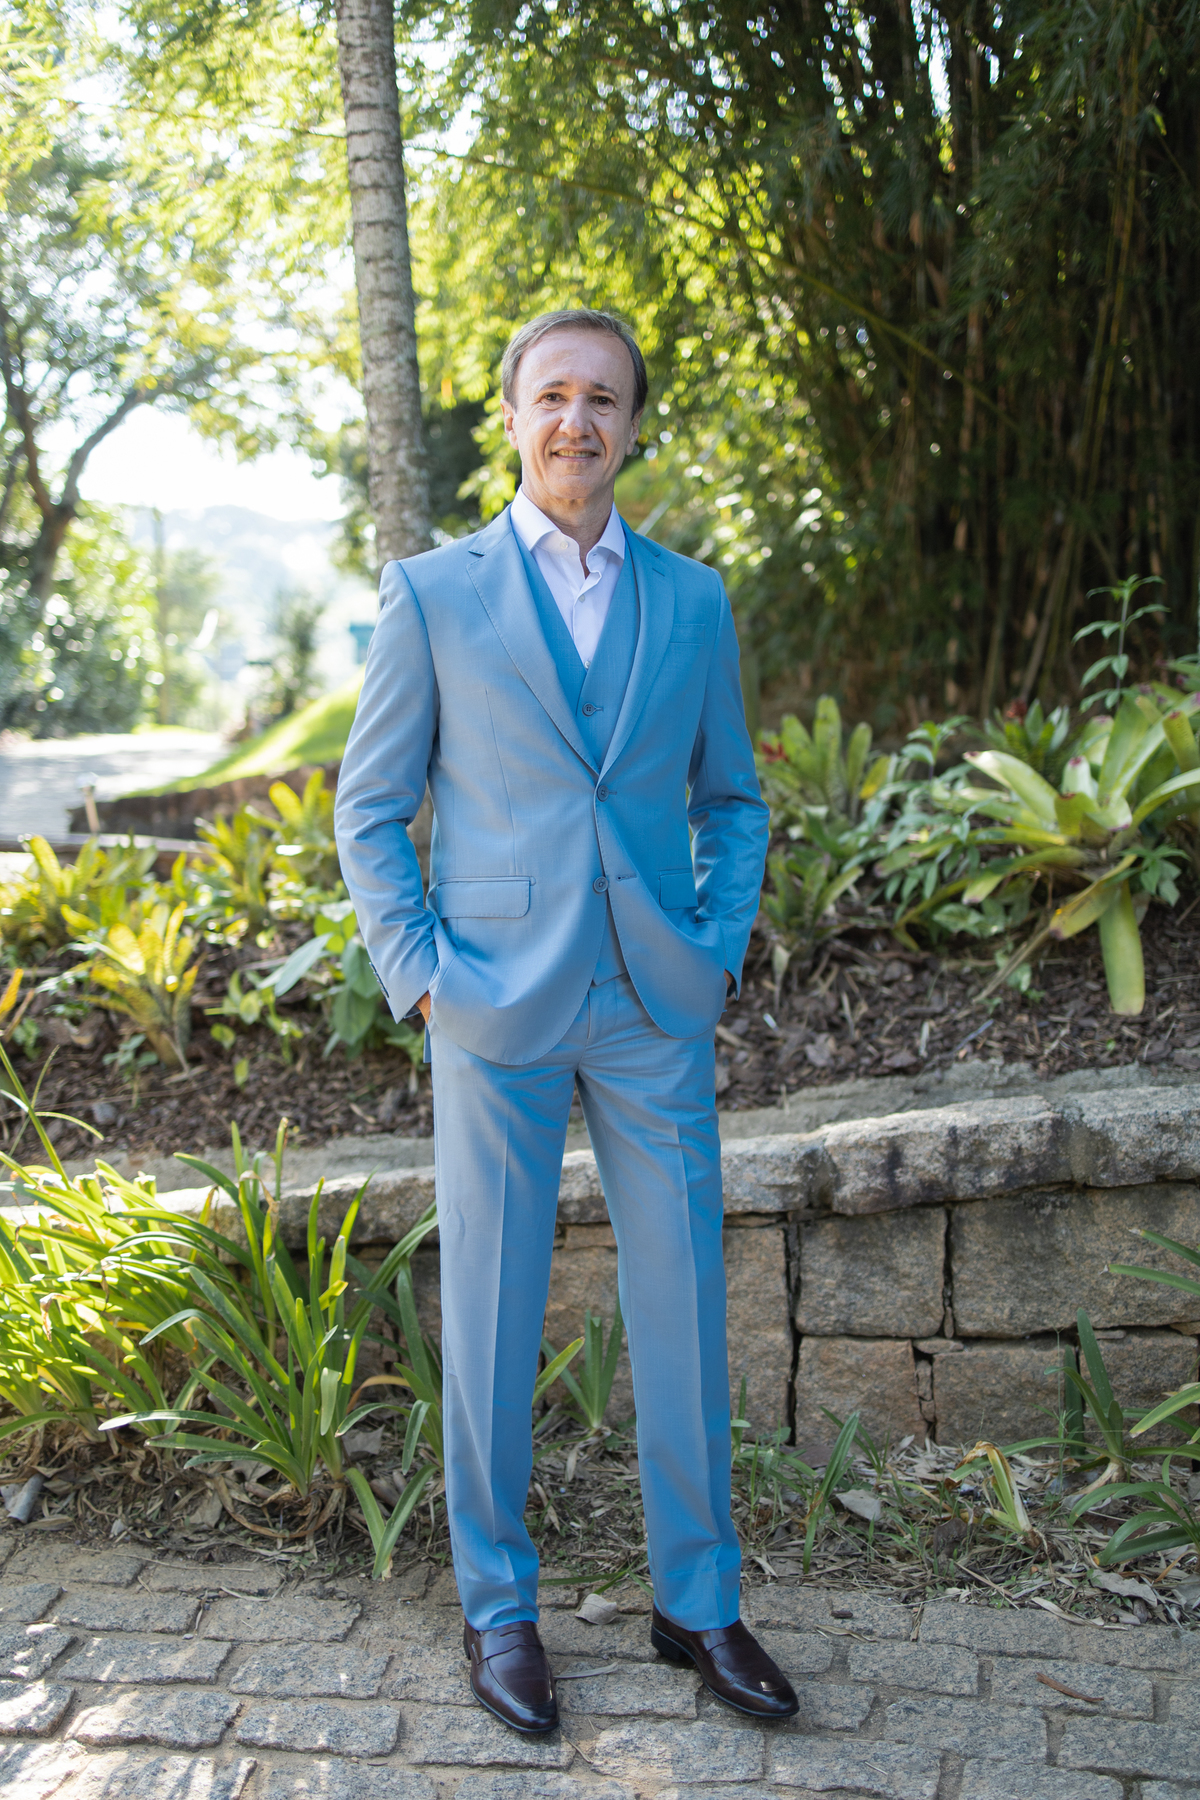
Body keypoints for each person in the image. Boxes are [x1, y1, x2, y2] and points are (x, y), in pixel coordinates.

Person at [334, 308, 797, 1733]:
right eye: (551, 396)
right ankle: (498, 1609)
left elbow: (733, 799)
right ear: (513, 416)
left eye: (602, 398)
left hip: (655, 1004)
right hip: (493, 999)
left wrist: (714, 946)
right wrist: (423, 973)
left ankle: (698, 1603)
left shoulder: (694, 601)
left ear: (632, 425)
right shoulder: (433, 594)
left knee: (685, 1306)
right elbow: (369, 808)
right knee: (488, 1309)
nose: (575, 421)